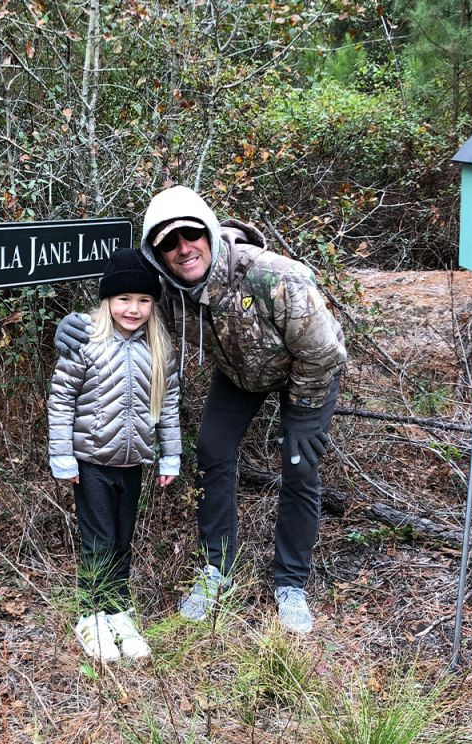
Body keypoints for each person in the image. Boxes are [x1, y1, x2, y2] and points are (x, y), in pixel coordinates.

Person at [56, 186, 346, 634]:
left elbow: (323, 351)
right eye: (168, 242)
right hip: (240, 375)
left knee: (299, 464)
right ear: (157, 251)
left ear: (208, 233)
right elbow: (125, 310)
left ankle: (291, 584)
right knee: (212, 450)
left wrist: (305, 412)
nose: (183, 248)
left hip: (307, 373)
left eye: (191, 234)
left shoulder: (273, 276)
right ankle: (217, 570)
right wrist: (76, 326)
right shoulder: (168, 292)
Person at [48, 247, 181, 662]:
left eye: (143, 300)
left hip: (133, 464)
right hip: (90, 463)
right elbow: (61, 400)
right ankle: (90, 617)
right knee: (98, 541)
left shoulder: (159, 348)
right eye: (124, 299)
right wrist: (63, 457)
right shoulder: (86, 341)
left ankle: (118, 612)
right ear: (108, 300)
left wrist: (170, 456)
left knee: (123, 541)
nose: (133, 308)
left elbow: (169, 402)